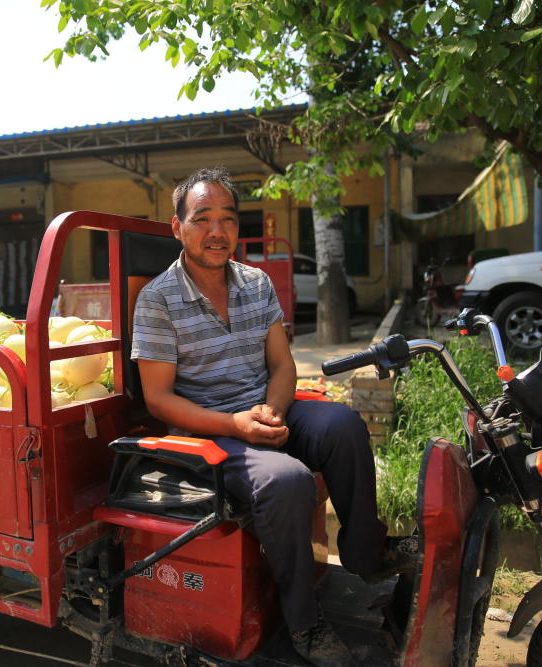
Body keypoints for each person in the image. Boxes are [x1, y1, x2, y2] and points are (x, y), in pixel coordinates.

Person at [130, 167, 416, 667]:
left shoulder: (256, 282)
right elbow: (158, 400)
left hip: (263, 410)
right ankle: (304, 623)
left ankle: (365, 557)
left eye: (227, 219)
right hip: (206, 432)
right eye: (202, 219)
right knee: (288, 481)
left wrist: (273, 410)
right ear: (177, 227)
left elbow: (283, 364)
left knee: (345, 425)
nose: (216, 232)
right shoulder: (157, 300)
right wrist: (237, 425)